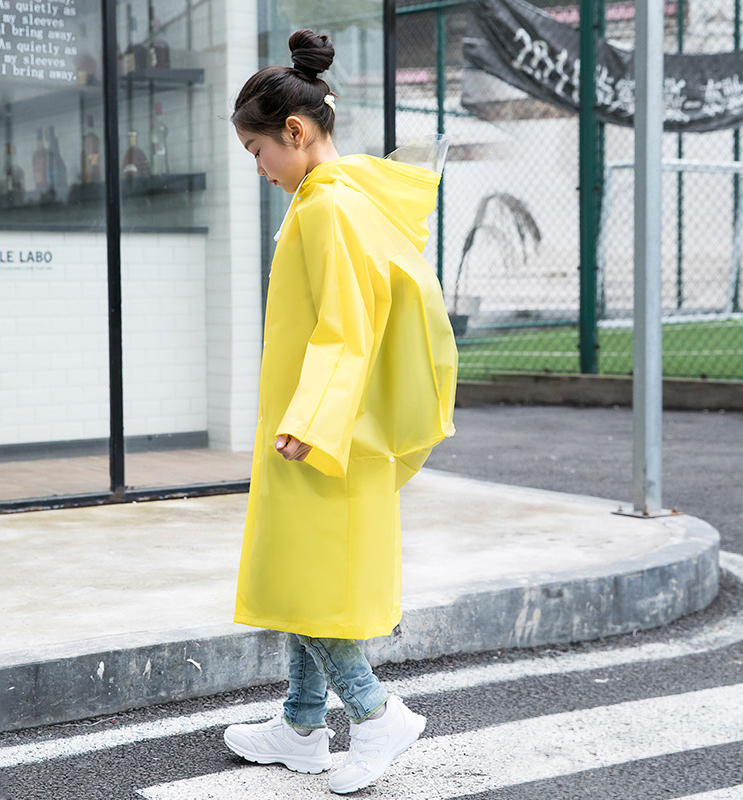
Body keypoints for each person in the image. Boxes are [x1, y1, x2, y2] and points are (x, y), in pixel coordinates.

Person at [223, 28, 458, 795]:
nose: (258, 170)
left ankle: (377, 714)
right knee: (304, 576)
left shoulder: (326, 210)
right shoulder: (344, 196)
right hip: (325, 425)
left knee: (308, 582)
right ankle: (298, 725)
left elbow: (346, 325)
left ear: (294, 132)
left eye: (257, 152)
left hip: (319, 431)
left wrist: (309, 419)